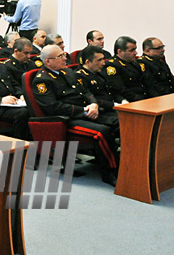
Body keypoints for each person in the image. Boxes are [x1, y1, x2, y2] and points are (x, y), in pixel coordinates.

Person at [31, 45, 119, 186]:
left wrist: (93, 104)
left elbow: (85, 92)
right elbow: (54, 108)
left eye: (64, 55)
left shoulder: (68, 73)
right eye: (60, 57)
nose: (65, 58)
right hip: (67, 120)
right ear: (48, 62)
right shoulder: (42, 81)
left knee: (120, 122)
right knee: (102, 132)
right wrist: (84, 110)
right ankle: (110, 171)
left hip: (86, 112)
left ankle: (127, 163)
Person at [103, 36, 147, 102]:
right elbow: (120, 90)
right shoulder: (112, 66)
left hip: (143, 98)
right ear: (120, 51)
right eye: (132, 50)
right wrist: (142, 99)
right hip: (130, 101)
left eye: (135, 49)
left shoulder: (135, 64)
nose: (136, 53)